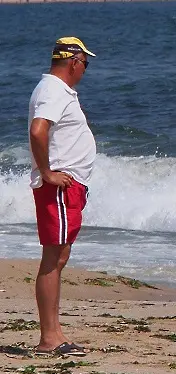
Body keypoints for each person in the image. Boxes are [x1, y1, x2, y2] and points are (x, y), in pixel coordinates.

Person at [28, 37, 97, 356]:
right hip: (58, 187)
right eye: (86, 63)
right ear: (74, 62)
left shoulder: (57, 90)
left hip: (67, 186)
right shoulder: (53, 90)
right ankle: (50, 338)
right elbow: (38, 130)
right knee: (53, 257)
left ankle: (53, 334)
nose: (85, 69)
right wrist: (48, 173)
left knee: (60, 256)